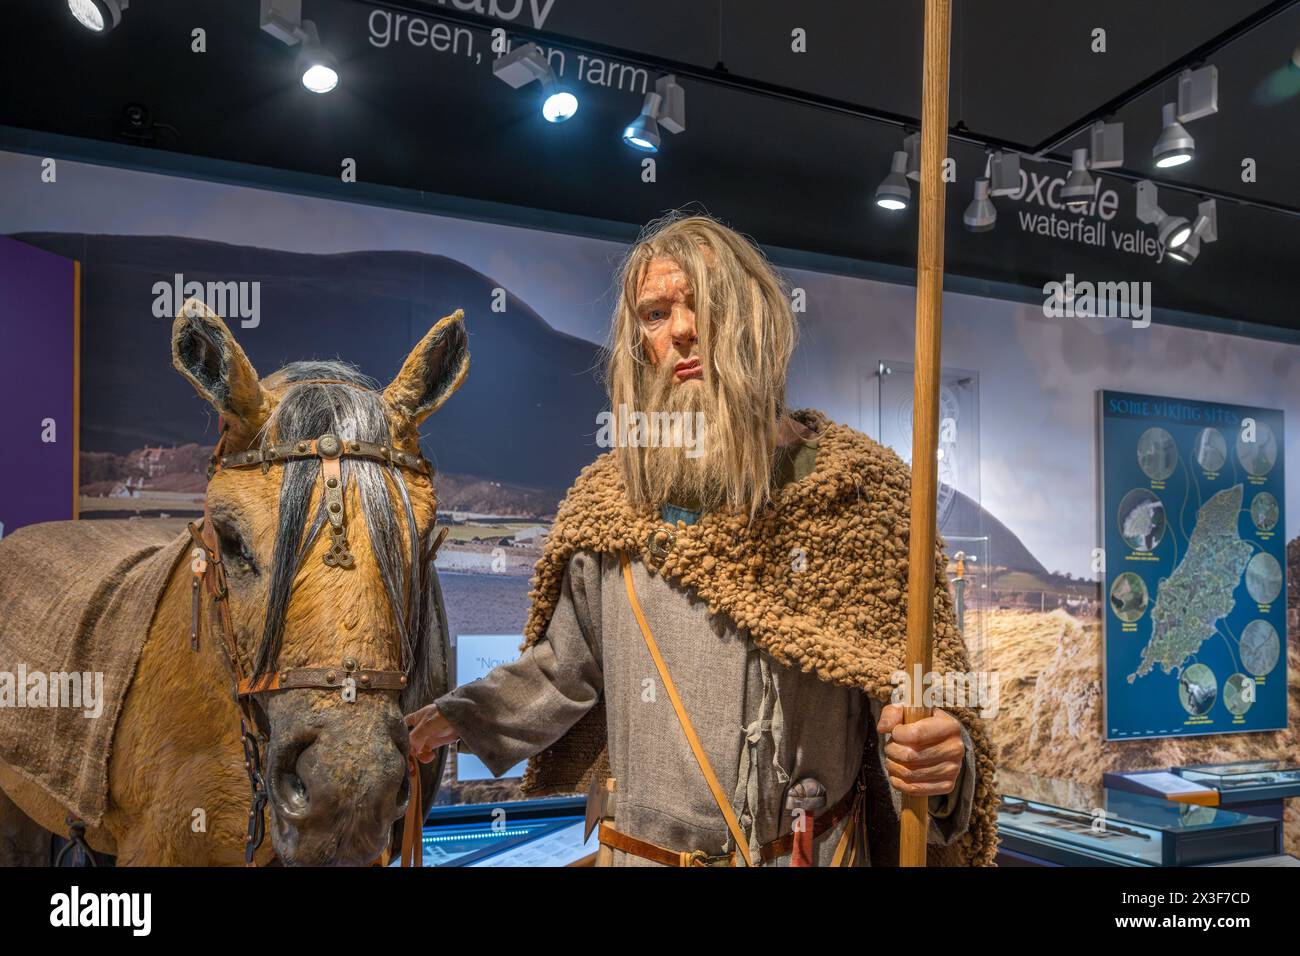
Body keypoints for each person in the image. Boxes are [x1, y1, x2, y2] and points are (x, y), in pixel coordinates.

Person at [406, 213, 998, 866]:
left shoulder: (865, 495)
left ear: (756, 318)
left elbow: (926, 696)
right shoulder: (613, 505)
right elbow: (562, 670)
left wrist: (943, 762)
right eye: (656, 314)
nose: (683, 330)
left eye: (703, 305)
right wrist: (455, 718)